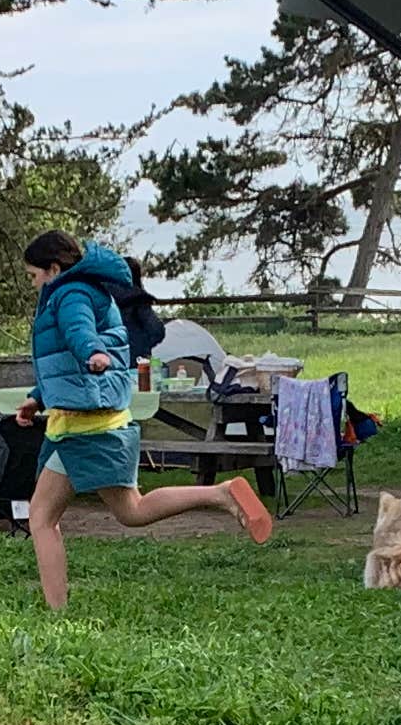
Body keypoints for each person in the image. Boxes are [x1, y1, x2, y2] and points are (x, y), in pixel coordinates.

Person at [19, 230, 271, 610]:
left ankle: (58, 615)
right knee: (99, 512)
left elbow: (78, 334)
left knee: (59, 516)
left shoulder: (69, 295)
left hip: (87, 427)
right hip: (78, 421)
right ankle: (220, 493)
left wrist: (94, 353)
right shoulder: (85, 290)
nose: (33, 282)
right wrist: (37, 399)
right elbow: (62, 366)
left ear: (53, 269)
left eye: (33, 274)